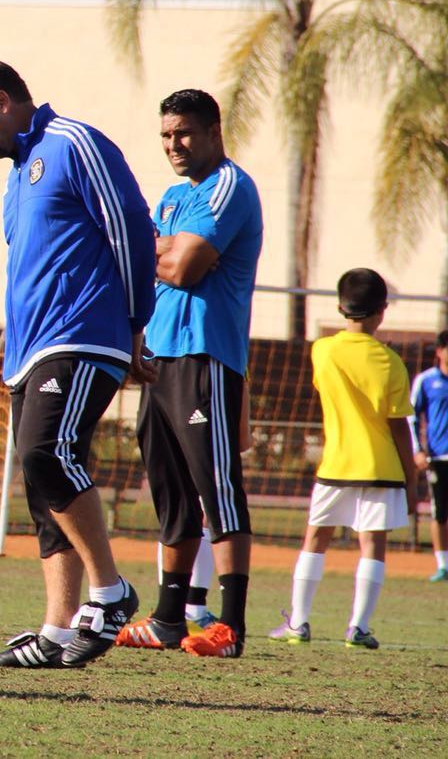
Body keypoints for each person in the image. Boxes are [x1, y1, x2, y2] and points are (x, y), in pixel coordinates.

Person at [0, 58, 157, 669]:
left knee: (45, 452)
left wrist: (138, 325)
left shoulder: (74, 143)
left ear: (3, 102)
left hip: (83, 336)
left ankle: (111, 595)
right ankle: (57, 631)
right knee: (44, 484)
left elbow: (132, 228)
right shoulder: (14, 180)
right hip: (29, 349)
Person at [116, 89, 262, 659]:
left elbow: (180, 268)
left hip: (207, 357)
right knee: (172, 495)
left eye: (184, 133)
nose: (174, 145)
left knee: (218, 489)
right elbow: (141, 255)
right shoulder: (176, 197)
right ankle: (169, 618)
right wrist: (161, 247)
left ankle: (231, 626)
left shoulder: (229, 187)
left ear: (212, 131)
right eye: (166, 135)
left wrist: (162, 250)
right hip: (160, 357)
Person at [268, 269, 417, 649]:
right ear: (383, 310)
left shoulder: (323, 350)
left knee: (315, 539)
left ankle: (298, 623)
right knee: (373, 545)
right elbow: (399, 425)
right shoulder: (392, 362)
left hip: (335, 465)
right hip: (381, 468)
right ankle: (358, 627)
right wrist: (410, 479)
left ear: (340, 306)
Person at [411, 330, 448, 582]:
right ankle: (442, 564)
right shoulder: (426, 380)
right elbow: (411, 416)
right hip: (438, 457)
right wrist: (417, 450)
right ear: (439, 351)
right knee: (440, 512)